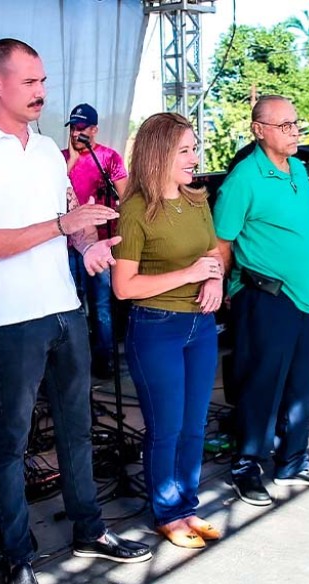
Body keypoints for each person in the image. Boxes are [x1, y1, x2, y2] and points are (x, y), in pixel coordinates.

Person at [0, 38, 151, 584]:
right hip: (12, 320)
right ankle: (18, 558)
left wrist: (86, 244)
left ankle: (90, 529)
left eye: (43, 81)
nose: (41, 92)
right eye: (30, 81)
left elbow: (70, 221)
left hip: (65, 308)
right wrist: (62, 226)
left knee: (77, 429)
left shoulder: (48, 152)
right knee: (10, 444)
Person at [214, 95, 309, 508]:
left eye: (295, 123)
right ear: (258, 130)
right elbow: (221, 241)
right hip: (266, 295)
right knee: (261, 384)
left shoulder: (298, 168)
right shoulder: (244, 179)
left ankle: (293, 459)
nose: (294, 131)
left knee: (299, 384)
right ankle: (247, 465)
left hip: (303, 297)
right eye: (284, 125)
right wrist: (229, 289)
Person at [111, 112, 222, 548]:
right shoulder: (136, 209)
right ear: (159, 155)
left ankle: (187, 506)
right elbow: (124, 287)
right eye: (185, 151)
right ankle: (168, 513)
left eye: (195, 149)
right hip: (157, 328)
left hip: (201, 325)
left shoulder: (197, 200)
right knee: (166, 427)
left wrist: (213, 279)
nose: (195, 158)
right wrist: (190, 274)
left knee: (195, 425)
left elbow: (214, 253)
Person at [63, 103, 129, 377]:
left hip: (100, 242)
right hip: (66, 244)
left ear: (94, 130)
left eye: (81, 128)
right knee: (72, 304)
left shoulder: (108, 158)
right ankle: (75, 363)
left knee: (101, 304)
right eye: (73, 128)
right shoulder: (59, 159)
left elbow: (126, 196)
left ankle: (105, 360)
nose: (75, 133)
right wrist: (70, 163)